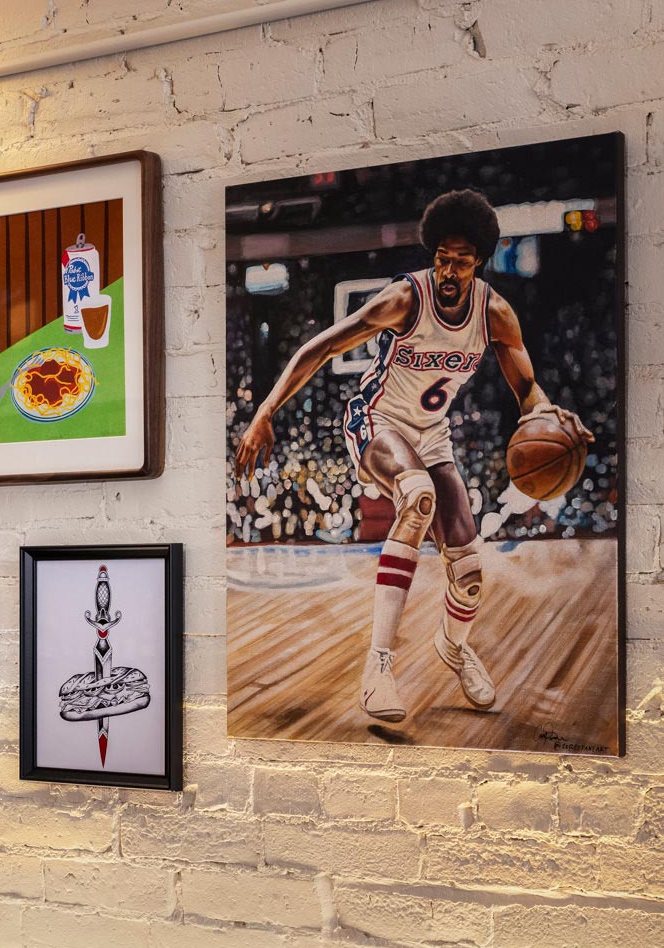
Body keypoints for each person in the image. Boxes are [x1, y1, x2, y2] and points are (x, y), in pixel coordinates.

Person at [233, 188, 594, 726]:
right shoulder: (405, 298)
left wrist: (552, 416)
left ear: (479, 261)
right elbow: (322, 346)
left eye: (461, 261)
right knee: (417, 496)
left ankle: (454, 646)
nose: (448, 270)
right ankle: (378, 666)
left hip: (432, 434)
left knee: (469, 571)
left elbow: (527, 391)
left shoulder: (495, 313)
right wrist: (266, 410)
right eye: (442, 258)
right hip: (376, 420)